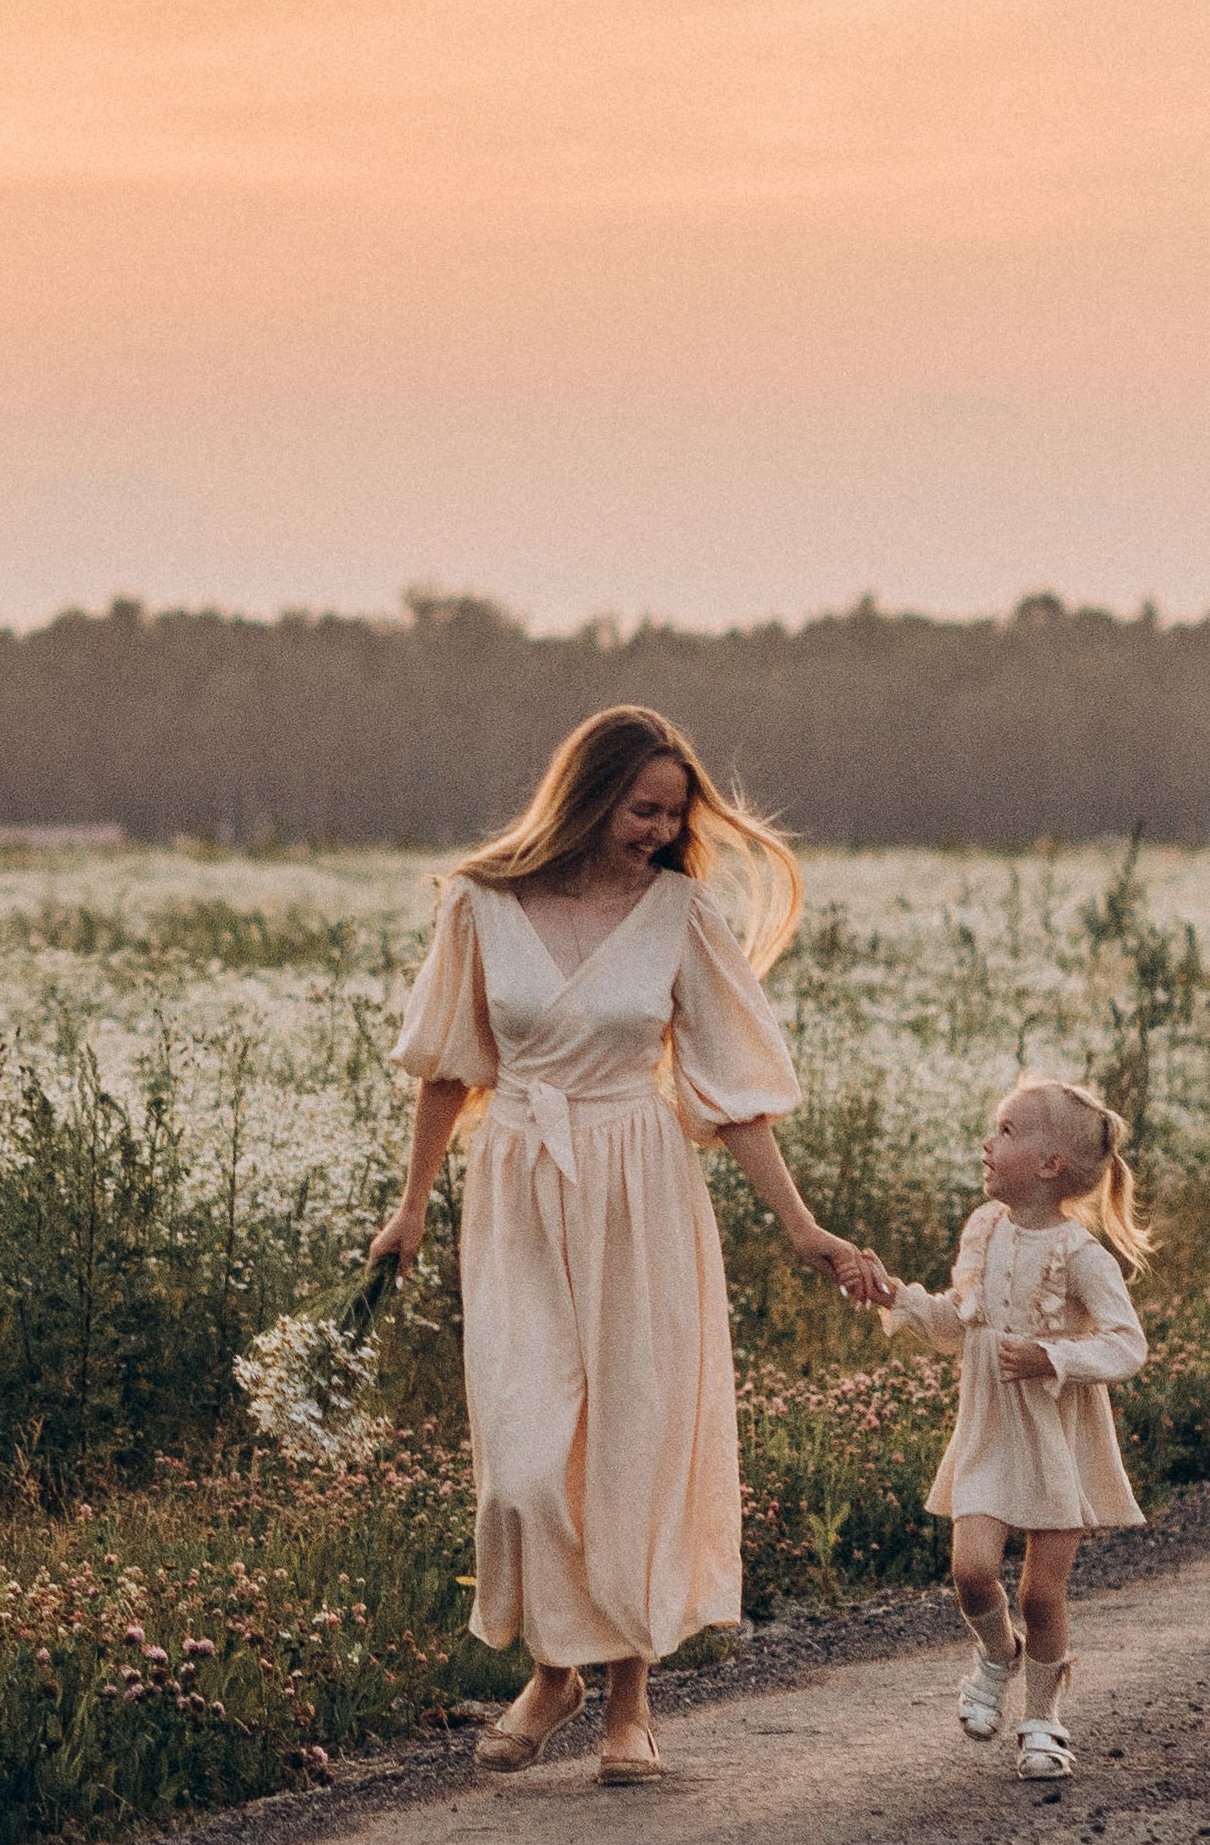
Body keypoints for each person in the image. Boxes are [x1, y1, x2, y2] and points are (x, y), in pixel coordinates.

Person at [370, 705, 888, 1786]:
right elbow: (447, 1069)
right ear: (589, 792)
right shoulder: (480, 902)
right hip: (516, 1184)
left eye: (673, 815)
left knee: (634, 1443)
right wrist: (409, 1204)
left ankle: (625, 1699)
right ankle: (555, 1666)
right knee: (522, 1460)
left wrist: (800, 1227)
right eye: (643, 808)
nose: (659, 830)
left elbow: (732, 1092)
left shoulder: (677, 914)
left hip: (640, 1186)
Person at [855, 1078, 1151, 1780]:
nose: (988, 1143)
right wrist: (895, 1293)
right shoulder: (984, 1229)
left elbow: (1127, 1344)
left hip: (1057, 1440)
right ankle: (998, 1655)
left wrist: (1056, 1355)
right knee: (971, 1571)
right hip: (989, 1428)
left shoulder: (1082, 1255)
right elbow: (960, 1322)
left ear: (1050, 1164)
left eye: (1008, 1131)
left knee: (1041, 1593)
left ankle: (1044, 1716)